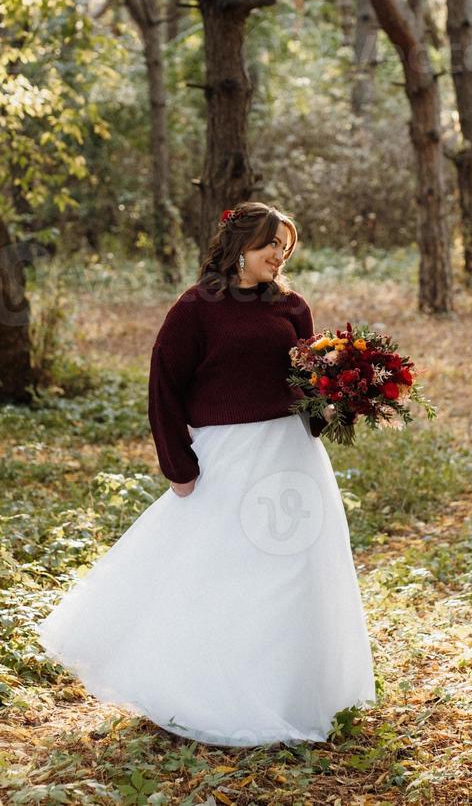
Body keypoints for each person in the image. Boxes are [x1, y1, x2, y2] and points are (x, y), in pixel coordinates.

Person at [37, 202, 376, 746]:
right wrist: (179, 465)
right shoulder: (195, 308)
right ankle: (210, 691)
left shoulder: (293, 307)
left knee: (294, 575)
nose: (280, 254)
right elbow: (164, 387)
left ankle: (293, 695)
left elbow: (304, 385)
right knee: (226, 573)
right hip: (227, 458)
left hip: (292, 458)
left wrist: (341, 403)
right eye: (272, 243)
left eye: (286, 246)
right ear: (240, 244)